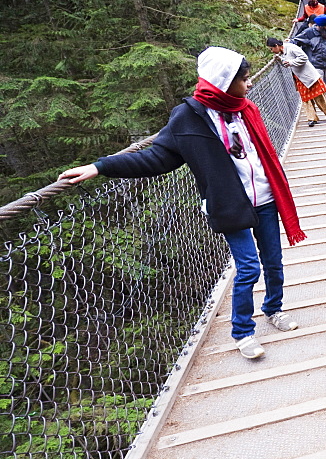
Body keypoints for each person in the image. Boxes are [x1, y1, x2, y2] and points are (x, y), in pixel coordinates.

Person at [58, 46, 305, 361]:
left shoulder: (245, 108)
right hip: (230, 204)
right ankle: (243, 332)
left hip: (267, 198)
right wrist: (102, 166)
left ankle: (273, 308)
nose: (250, 85)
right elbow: (156, 157)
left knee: (273, 260)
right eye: (243, 80)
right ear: (223, 82)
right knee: (248, 268)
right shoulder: (189, 117)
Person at [267, 37, 326, 126]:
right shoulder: (282, 53)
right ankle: (312, 119)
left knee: (319, 96)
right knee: (306, 99)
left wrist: (291, 62)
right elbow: (286, 64)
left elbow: (304, 57)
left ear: (276, 46)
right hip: (299, 78)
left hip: (308, 76)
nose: (272, 51)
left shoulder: (291, 48)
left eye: (271, 49)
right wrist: (280, 60)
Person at [291, 14, 326, 106]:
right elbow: (296, 40)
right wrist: (287, 45)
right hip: (315, 65)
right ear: (320, 26)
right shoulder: (308, 33)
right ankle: (322, 105)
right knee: (319, 86)